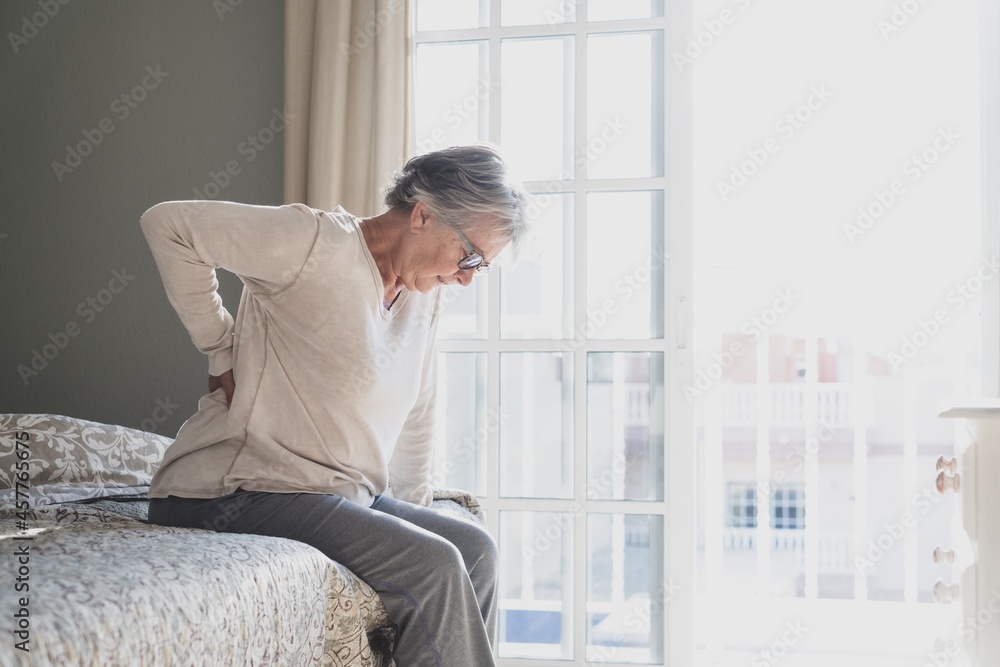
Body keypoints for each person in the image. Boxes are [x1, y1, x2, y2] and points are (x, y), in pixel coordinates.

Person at [141, 144, 529, 666]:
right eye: (471, 256)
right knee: (434, 566)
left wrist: (414, 512)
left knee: (476, 549)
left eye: (482, 268)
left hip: (342, 493)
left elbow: (418, 410)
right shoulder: (313, 243)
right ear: (423, 215)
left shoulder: (424, 296)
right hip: (243, 489)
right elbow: (169, 225)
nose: (467, 277)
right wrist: (218, 346)